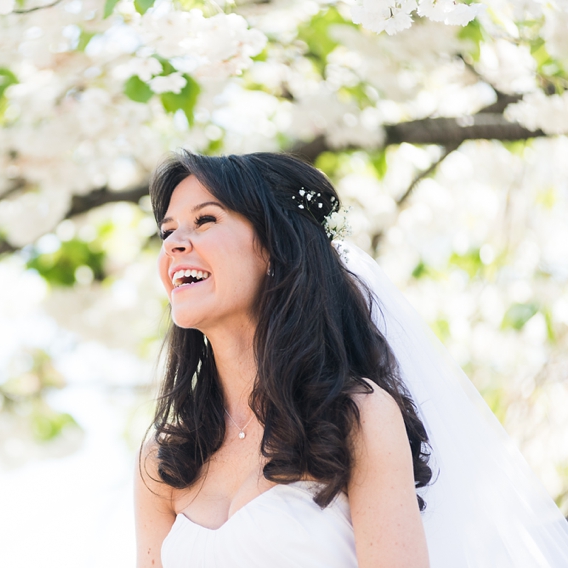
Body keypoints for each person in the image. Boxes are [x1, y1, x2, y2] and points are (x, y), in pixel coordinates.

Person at [134, 151, 568, 567]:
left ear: (276, 247)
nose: (174, 244)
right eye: (167, 231)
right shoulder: (164, 458)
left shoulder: (355, 417)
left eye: (204, 220)